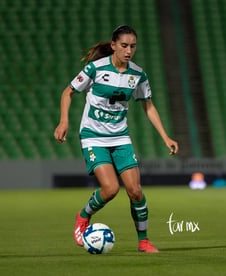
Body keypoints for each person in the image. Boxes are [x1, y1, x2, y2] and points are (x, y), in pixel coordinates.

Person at [54, 25, 179, 253]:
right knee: (111, 189)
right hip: (93, 136)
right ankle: (83, 216)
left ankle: (143, 241)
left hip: (120, 136)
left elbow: (148, 106)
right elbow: (68, 92)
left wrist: (165, 137)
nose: (129, 50)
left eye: (132, 46)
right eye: (124, 45)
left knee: (135, 190)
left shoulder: (138, 74)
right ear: (113, 46)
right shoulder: (95, 69)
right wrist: (64, 121)